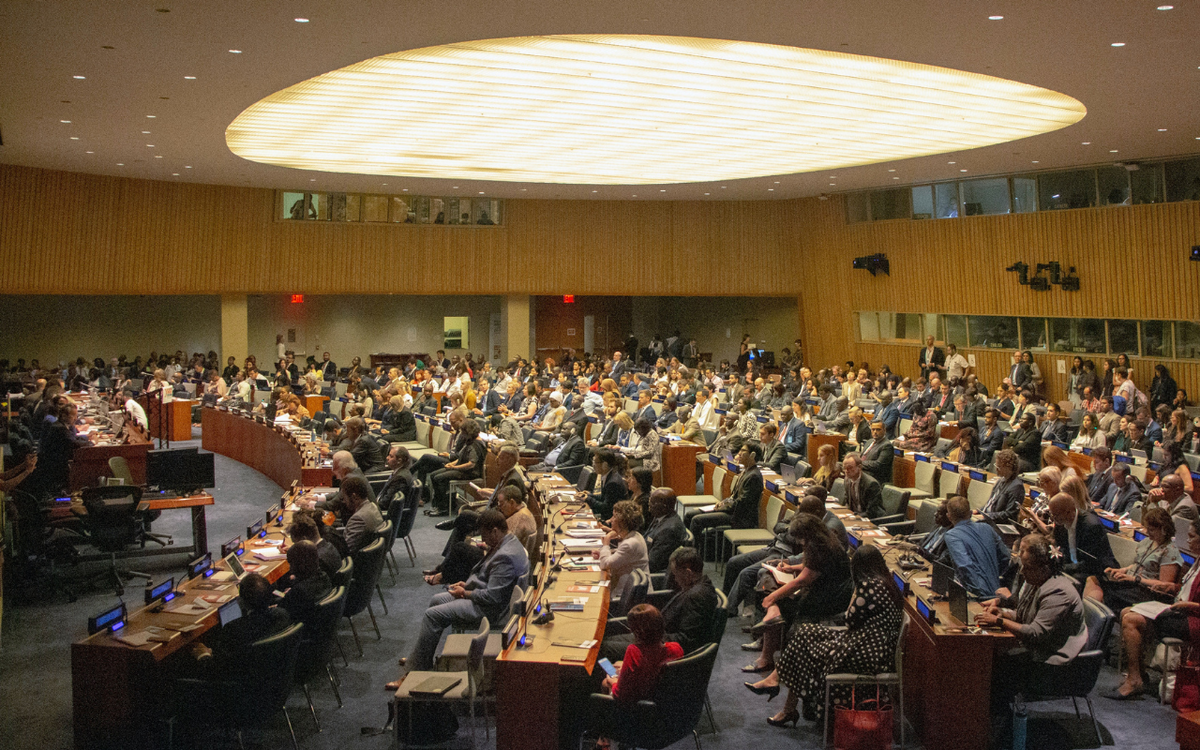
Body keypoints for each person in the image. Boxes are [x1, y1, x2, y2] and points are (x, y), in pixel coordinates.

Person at [747, 544, 903, 726]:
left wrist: (854, 594)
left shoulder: (869, 586)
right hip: (869, 645)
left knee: (803, 647)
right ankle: (781, 695)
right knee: (804, 632)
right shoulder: (887, 583)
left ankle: (784, 701)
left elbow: (849, 620)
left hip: (865, 652)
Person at [393, 509, 529, 681]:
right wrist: (467, 585)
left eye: (484, 535)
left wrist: (466, 592)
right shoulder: (509, 542)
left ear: (495, 531)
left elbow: (493, 598)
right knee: (436, 600)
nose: (483, 540)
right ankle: (421, 659)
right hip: (483, 597)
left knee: (432, 615)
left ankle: (414, 671)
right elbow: (490, 583)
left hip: (490, 610)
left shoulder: (506, 556)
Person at [974, 533, 1088, 709]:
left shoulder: (1058, 592)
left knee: (993, 668)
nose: (1021, 572)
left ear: (1044, 568)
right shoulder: (1036, 581)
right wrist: (1002, 613)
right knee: (989, 660)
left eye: (1027, 567)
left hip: (1054, 666)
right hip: (1038, 652)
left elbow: (1035, 633)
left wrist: (998, 621)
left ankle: (999, 719)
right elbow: (1024, 615)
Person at [742, 515, 853, 674]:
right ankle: (773, 615)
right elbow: (813, 566)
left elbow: (802, 581)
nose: (800, 542)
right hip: (826, 591)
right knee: (768, 577)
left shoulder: (818, 547)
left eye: (801, 538)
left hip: (827, 599)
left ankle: (766, 657)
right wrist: (791, 568)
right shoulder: (827, 539)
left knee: (778, 600)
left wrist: (772, 598)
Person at [1107, 515, 1200, 699]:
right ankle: (1139, 673)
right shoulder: (1197, 560)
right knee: (1126, 612)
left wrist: (1187, 604)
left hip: (1192, 621)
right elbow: (1186, 588)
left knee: (1131, 620)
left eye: (1192, 537)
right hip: (1179, 611)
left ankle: (1134, 680)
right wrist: (1171, 587)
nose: (1188, 541)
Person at [588, 604, 684, 750]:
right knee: (617, 665)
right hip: (665, 711)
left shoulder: (634, 652)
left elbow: (620, 695)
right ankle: (605, 738)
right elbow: (653, 665)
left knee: (605, 681)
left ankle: (605, 739)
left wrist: (613, 681)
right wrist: (625, 667)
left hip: (638, 711)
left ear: (637, 631)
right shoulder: (676, 649)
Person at [601, 546, 716, 661]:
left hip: (658, 647)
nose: (675, 579)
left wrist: (650, 636)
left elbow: (686, 640)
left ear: (688, 573)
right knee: (604, 641)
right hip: (654, 638)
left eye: (676, 574)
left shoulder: (697, 596)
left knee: (603, 649)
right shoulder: (696, 586)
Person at [190, 573, 292, 674]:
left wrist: (204, 655)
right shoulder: (283, 615)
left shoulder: (234, 629)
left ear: (241, 602)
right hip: (276, 674)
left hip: (242, 680)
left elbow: (218, 670)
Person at [1021, 492, 1117, 594]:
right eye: (1052, 514)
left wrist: (1063, 568)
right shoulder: (1060, 522)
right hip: (1072, 567)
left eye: (1056, 515)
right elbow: (1059, 548)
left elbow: (1091, 562)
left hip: (1096, 571)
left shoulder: (1091, 526)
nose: (1053, 518)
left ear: (1069, 512)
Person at [1093, 506, 1182, 610]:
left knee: (1107, 592)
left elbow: (1163, 586)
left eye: (1151, 530)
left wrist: (1136, 579)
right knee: (1094, 579)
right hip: (1131, 582)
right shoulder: (1148, 541)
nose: (1147, 532)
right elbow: (1138, 564)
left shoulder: (1170, 551)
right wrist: (1122, 570)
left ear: (1164, 530)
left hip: (1145, 590)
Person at [689, 441, 764, 546]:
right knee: (689, 515)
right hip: (732, 510)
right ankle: (689, 547)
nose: (739, 453)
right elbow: (734, 496)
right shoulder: (746, 471)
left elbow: (741, 503)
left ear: (752, 455)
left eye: (743, 451)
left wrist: (723, 507)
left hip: (738, 517)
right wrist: (723, 502)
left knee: (696, 520)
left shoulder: (753, 476)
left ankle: (693, 551)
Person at [942, 496, 1011, 598]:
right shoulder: (987, 528)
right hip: (997, 591)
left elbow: (964, 566)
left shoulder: (952, 536)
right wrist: (993, 574)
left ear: (949, 516)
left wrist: (978, 592)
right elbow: (1006, 556)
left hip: (977, 595)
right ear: (970, 513)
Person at [596, 500, 650, 615]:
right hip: (623, 591)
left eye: (614, 517)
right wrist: (605, 552)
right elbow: (622, 556)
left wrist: (606, 542)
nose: (611, 520)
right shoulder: (635, 535)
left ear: (622, 521)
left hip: (621, 599)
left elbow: (605, 564)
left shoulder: (630, 544)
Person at [276, 540, 333, 625]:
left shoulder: (299, 591)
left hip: (302, 628)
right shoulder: (324, 576)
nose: (290, 568)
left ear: (300, 565)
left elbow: (280, 612)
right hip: (320, 622)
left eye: (291, 563)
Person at [644, 488, 687, 574]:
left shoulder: (668, 531)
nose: (649, 505)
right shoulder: (661, 516)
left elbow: (652, 564)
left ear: (663, 507)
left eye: (652, 503)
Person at [975, 449, 1024, 525]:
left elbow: (1009, 514)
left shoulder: (1016, 487)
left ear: (1008, 467)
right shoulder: (1001, 480)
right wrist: (978, 511)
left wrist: (986, 516)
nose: (996, 469)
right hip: (987, 519)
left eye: (999, 467)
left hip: (997, 524)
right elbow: (990, 504)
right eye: (996, 465)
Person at [579, 449, 629, 521]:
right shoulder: (609, 475)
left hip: (609, 520)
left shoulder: (613, 483)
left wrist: (588, 499)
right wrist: (589, 495)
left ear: (605, 465)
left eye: (596, 462)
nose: (593, 465)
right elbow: (604, 497)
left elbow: (606, 508)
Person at [338, 475, 383, 553]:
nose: (344, 501)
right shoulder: (372, 506)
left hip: (355, 558)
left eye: (345, 498)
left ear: (354, 497)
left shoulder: (359, 518)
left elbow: (346, 550)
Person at [841, 453, 884, 519]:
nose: (846, 471)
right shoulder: (847, 480)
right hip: (855, 517)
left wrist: (853, 517)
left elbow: (871, 512)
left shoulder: (871, 484)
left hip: (872, 519)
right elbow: (847, 503)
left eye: (850, 467)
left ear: (859, 467)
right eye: (844, 468)